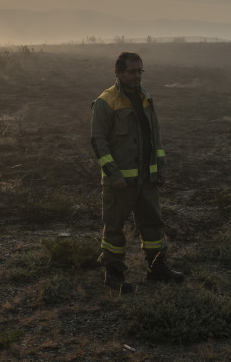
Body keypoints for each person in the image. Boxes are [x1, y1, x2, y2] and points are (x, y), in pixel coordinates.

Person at [90, 52, 184, 293]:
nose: (137, 76)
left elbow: (156, 137)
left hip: (146, 179)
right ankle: (113, 273)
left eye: (140, 71)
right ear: (118, 73)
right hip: (120, 182)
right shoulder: (106, 101)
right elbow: (98, 142)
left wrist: (160, 169)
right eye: (132, 71)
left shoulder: (145, 98)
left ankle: (157, 268)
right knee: (114, 227)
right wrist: (113, 174)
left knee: (153, 225)